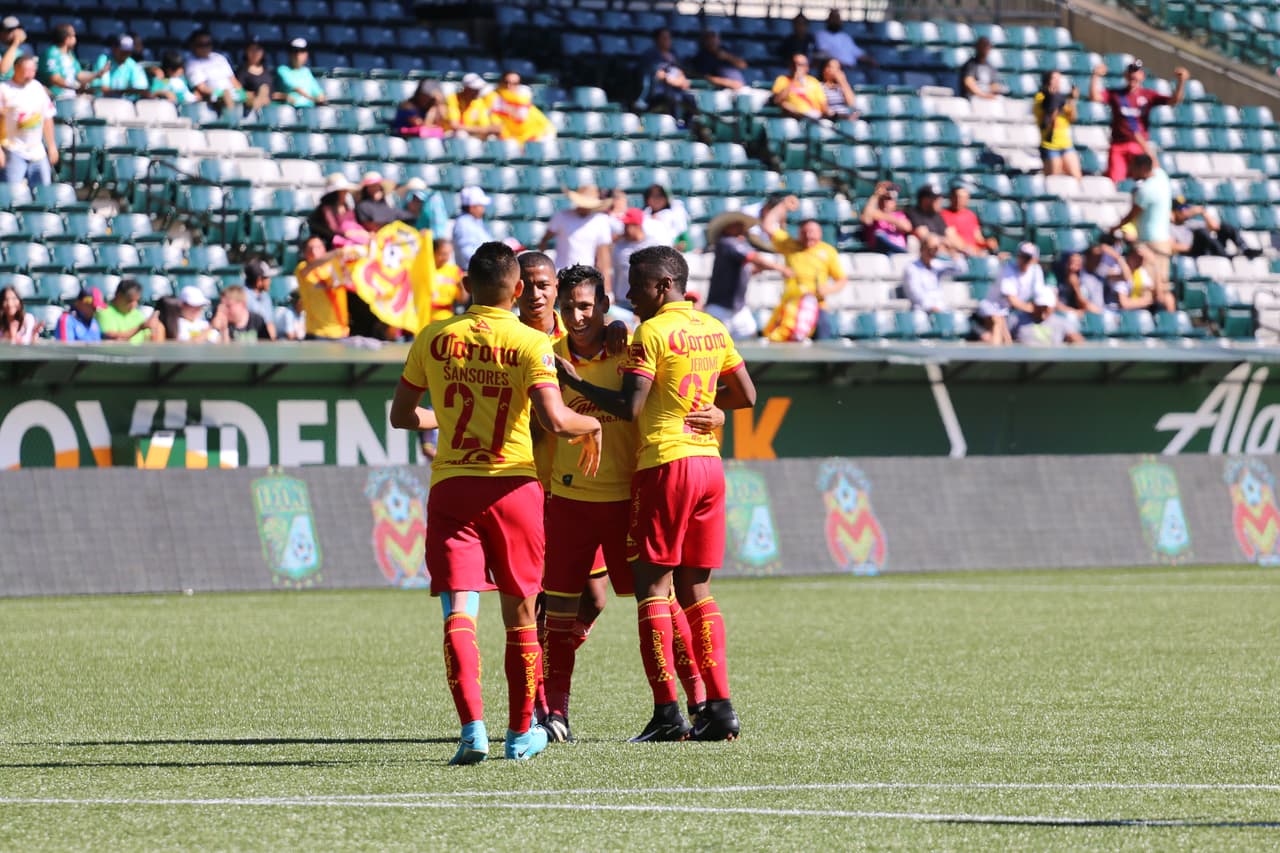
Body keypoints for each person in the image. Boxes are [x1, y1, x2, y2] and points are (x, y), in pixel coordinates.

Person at [389, 240, 602, 765]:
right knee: (521, 613)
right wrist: (591, 423)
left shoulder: (434, 336)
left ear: (467, 286)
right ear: (517, 288)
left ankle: (471, 731)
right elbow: (555, 420)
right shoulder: (529, 342)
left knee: (460, 609)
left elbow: (402, 417)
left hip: (453, 486)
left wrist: (448, 417)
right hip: (513, 487)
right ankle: (520, 733)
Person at [556, 244, 756, 743]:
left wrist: (576, 385)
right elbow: (747, 395)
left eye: (637, 284)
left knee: (653, 592)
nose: (629, 294)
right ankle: (719, 706)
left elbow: (628, 407)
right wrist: (717, 409)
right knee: (697, 591)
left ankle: (667, 712)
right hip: (709, 464)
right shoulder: (714, 327)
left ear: (663, 286)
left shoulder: (650, 332)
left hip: (664, 466)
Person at [541, 263, 711, 743]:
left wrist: (718, 408)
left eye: (586, 306)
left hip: (627, 501)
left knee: (660, 604)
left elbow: (682, 392)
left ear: (605, 307)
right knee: (559, 613)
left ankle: (696, 701)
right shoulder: (547, 357)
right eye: (569, 306)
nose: (577, 316)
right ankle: (555, 714)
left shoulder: (629, 349)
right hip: (568, 501)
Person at [1090, 59, 1188, 184]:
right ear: (1126, 75)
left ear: (1142, 76)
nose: (1133, 76)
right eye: (1131, 73)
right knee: (1116, 181)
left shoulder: (1148, 95)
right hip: (1119, 144)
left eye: (1136, 73)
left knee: (1145, 179)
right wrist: (1095, 76)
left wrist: (1181, 82)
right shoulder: (1116, 94)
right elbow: (1095, 97)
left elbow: (1174, 101)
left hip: (1139, 145)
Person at [762, 198, 846, 342]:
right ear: (799, 233)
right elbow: (768, 225)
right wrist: (782, 206)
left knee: (823, 346)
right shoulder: (789, 245)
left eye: (812, 231)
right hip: (791, 307)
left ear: (820, 232)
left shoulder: (827, 251)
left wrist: (828, 290)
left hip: (817, 306)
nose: (808, 236)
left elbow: (842, 279)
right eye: (805, 232)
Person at [704, 210, 792, 339]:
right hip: (720, 308)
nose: (742, 228)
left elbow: (749, 267)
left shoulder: (737, 246)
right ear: (727, 228)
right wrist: (781, 269)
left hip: (738, 308)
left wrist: (763, 267)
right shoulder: (727, 243)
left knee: (749, 338)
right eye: (737, 225)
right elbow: (753, 258)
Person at [1111, 153, 1175, 311]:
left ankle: (1163, 325)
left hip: (1151, 244)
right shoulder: (1161, 176)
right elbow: (1154, 158)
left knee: (1155, 291)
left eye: (1134, 168)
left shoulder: (1145, 190)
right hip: (1163, 242)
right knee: (1161, 287)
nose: (1131, 172)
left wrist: (1113, 228)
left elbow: (1132, 215)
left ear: (1142, 168)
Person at [540, 185, 615, 290]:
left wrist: (607, 288)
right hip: (561, 275)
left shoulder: (601, 221)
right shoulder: (561, 216)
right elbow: (544, 240)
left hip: (586, 277)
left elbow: (604, 257)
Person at [0, 55, 58, 187]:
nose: (29, 74)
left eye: (32, 70)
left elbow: (47, 117)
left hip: (37, 151)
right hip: (12, 149)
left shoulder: (37, 88)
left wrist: (52, 145)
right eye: (26, 70)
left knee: (43, 193)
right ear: (16, 69)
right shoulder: (3, 89)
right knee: (11, 194)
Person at [977, 242, 1044, 345]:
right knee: (998, 322)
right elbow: (1012, 300)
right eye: (1021, 256)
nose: (1023, 260)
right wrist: (1033, 309)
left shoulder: (1036, 271)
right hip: (993, 307)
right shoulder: (1008, 268)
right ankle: (997, 355)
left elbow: (1040, 296)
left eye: (1027, 257)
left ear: (1035, 259)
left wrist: (1039, 310)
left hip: (1014, 312)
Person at [294, 235, 352, 339]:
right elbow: (314, 264)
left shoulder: (335, 267)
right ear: (305, 253)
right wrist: (336, 252)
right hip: (317, 334)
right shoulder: (302, 269)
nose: (314, 252)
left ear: (324, 249)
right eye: (310, 249)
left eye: (318, 247)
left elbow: (349, 281)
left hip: (340, 333)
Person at [638, 28, 696, 126]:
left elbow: (679, 70)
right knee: (671, 99)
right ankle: (674, 126)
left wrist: (683, 80)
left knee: (690, 98)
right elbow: (660, 75)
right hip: (657, 93)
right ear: (657, 40)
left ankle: (688, 127)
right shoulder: (650, 54)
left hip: (675, 90)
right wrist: (678, 82)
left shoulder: (673, 54)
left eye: (669, 38)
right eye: (664, 38)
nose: (668, 40)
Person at [1034, 70, 1082, 180]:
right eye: (1055, 79)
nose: (1058, 82)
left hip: (1065, 144)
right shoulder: (1041, 97)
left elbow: (1073, 118)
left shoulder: (1061, 99)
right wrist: (1056, 101)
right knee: (1053, 179)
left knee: (1076, 176)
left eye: (1059, 79)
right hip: (1050, 144)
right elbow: (1048, 117)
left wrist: (1072, 101)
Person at [902, 234, 966, 315]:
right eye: (931, 249)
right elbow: (915, 294)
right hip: (922, 310)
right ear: (922, 249)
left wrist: (952, 251)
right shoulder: (911, 268)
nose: (933, 252)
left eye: (936, 249)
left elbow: (961, 270)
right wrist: (932, 307)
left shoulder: (936, 264)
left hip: (940, 309)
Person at [1171, 197, 1254, 259]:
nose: (1186, 211)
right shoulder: (1169, 227)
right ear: (1173, 212)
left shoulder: (1191, 223)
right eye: (1182, 209)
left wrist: (1203, 213)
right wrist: (1192, 246)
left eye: (1187, 208)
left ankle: (1244, 248)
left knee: (1225, 227)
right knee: (1201, 232)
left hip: (1206, 248)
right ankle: (1224, 255)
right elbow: (1171, 246)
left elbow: (1215, 227)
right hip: (1192, 252)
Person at [485, 71, 555, 145]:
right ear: (500, 83)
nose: (509, 86)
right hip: (507, 140)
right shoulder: (492, 98)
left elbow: (545, 125)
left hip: (527, 139)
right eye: (506, 82)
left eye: (514, 84)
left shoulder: (523, 100)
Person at [612, 208, 660, 311]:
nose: (624, 228)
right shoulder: (619, 246)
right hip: (622, 300)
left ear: (637, 225)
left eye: (628, 225)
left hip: (645, 300)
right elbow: (615, 272)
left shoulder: (652, 245)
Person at [185, 29, 246, 112]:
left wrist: (242, 92)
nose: (205, 47)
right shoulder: (191, 63)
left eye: (208, 44)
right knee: (227, 95)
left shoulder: (219, 57)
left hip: (232, 93)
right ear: (193, 45)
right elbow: (201, 88)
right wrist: (221, 92)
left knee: (258, 94)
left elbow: (233, 80)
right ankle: (233, 121)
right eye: (201, 44)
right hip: (214, 97)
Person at [41, 24, 106, 100]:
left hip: (71, 98)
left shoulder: (70, 54)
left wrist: (97, 74)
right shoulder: (52, 53)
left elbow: (79, 74)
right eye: (74, 36)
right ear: (67, 39)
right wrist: (75, 87)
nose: (75, 39)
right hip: (56, 98)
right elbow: (55, 78)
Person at [308, 173, 370, 249]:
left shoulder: (347, 206)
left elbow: (354, 225)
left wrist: (362, 233)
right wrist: (349, 234)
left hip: (354, 237)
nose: (345, 193)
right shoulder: (326, 209)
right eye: (342, 191)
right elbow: (334, 230)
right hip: (340, 242)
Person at [904, 184, 966, 254]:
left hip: (944, 252)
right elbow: (925, 237)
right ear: (925, 200)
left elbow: (952, 236)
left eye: (940, 198)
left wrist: (962, 248)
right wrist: (945, 242)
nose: (940, 201)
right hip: (926, 255)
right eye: (935, 198)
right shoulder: (914, 213)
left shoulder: (936, 215)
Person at [98, 279, 162, 343]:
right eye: (129, 300)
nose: (134, 305)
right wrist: (140, 327)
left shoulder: (137, 314)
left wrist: (156, 329)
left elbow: (149, 338)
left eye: (137, 301)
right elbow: (113, 339)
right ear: (118, 296)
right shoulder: (104, 312)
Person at [940, 186, 997, 255]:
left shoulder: (971, 215)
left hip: (976, 253)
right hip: (959, 254)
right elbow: (953, 238)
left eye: (963, 198)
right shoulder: (943, 215)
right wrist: (970, 250)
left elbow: (978, 238)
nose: (959, 200)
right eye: (957, 197)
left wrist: (987, 243)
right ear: (951, 198)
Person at [858, 181, 912, 254]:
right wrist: (875, 195)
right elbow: (866, 219)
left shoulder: (899, 214)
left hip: (898, 253)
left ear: (895, 202)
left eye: (889, 199)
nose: (885, 202)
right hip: (881, 252)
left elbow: (907, 227)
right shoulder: (872, 212)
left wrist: (884, 217)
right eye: (883, 198)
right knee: (880, 236)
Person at [89, 34, 149, 99]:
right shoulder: (104, 60)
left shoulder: (132, 64)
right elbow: (104, 90)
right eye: (123, 51)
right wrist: (129, 91)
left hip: (126, 104)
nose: (126, 54)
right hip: (103, 102)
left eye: (128, 52)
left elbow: (142, 89)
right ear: (114, 48)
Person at [1016, 286, 1082, 345]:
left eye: (1046, 307)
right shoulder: (1017, 320)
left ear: (1053, 307)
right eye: (1040, 306)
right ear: (1034, 304)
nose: (1043, 310)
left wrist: (1074, 339)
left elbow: (1078, 340)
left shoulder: (1062, 322)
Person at [772, 54, 829, 120]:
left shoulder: (813, 81)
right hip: (795, 117)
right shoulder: (782, 79)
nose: (797, 68)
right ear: (790, 66)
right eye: (795, 64)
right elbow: (777, 100)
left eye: (800, 65)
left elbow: (823, 104)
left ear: (807, 67)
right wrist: (794, 80)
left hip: (816, 117)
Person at [452, 185, 493, 271]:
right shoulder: (463, 224)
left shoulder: (474, 221)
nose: (483, 209)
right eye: (480, 206)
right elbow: (467, 253)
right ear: (472, 207)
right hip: (473, 273)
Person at [443, 73, 499, 138]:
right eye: (474, 89)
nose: (477, 92)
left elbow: (485, 125)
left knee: (492, 137)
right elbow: (454, 125)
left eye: (478, 89)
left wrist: (484, 130)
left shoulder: (478, 102)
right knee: (461, 134)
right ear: (466, 89)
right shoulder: (452, 99)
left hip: (472, 134)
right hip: (450, 135)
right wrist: (481, 129)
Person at [275, 38, 324, 109]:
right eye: (294, 51)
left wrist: (321, 98)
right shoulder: (282, 69)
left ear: (306, 54)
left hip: (309, 111)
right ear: (289, 54)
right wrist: (313, 99)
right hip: (291, 111)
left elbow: (319, 93)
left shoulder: (306, 72)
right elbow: (296, 88)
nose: (298, 54)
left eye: (302, 51)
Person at [641, 185, 689, 249]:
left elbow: (685, 242)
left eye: (660, 196)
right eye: (652, 196)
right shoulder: (643, 217)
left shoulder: (675, 214)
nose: (656, 200)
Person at [428, 238, 464, 323]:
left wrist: (462, 287)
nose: (446, 258)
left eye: (448, 254)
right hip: (424, 319)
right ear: (433, 252)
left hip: (445, 320)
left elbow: (462, 300)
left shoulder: (455, 271)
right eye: (442, 254)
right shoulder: (424, 270)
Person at [235, 38, 274, 113]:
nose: (255, 53)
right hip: (249, 107)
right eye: (252, 49)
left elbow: (272, 93)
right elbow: (239, 91)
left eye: (258, 50)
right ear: (246, 51)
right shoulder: (241, 72)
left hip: (267, 107)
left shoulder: (268, 72)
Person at [0, 16, 26, 81]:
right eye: (10, 30)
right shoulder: (15, 45)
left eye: (18, 29)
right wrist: (16, 43)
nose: (15, 33)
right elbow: (3, 71)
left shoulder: (25, 48)